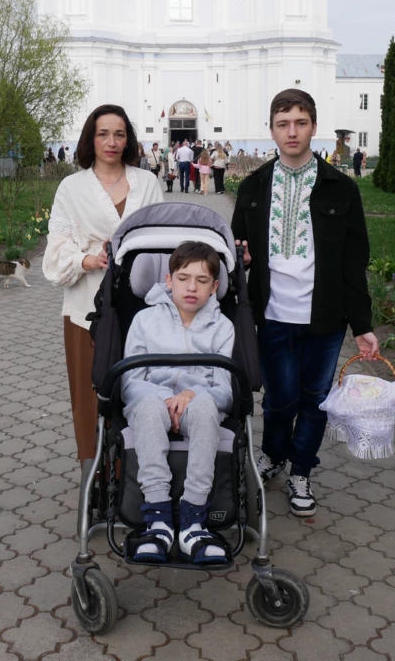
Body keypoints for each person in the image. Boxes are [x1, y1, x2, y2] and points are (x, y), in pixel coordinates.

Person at [231, 89, 378, 517]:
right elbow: (236, 248)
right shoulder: (254, 186)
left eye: (300, 123)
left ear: (314, 126)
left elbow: (354, 260)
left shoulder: (340, 188)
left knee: (315, 399)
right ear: (272, 130)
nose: (291, 132)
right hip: (272, 314)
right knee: (279, 399)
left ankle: (301, 470)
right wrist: (241, 260)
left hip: (325, 316)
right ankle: (273, 454)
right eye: (283, 124)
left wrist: (362, 324)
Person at [43, 104, 165, 480]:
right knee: (88, 395)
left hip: (141, 307)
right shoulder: (72, 187)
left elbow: (162, 239)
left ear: (128, 140)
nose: (111, 142)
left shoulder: (147, 183)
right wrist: (85, 259)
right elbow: (57, 244)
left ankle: (135, 473)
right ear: (90, 139)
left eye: (119, 134)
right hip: (86, 308)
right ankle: (94, 471)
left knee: (138, 389)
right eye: (103, 134)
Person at [121, 241, 235, 565]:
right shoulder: (144, 320)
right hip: (150, 399)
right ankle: (158, 520)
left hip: (197, 405)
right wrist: (163, 399)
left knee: (206, 407)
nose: (192, 287)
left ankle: (193, 522)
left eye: (202, 280)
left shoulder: (222, 328)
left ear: (214, 287)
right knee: (147, 406)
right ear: (169, 280)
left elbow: (225, 390)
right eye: (184, 278)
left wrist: (193, 394)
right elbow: (129, 382)